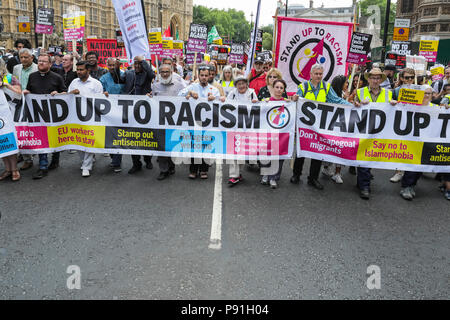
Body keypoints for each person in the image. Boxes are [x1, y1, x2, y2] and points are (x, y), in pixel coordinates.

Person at [291, 64, 352, 191]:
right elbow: (295, 101)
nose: (318, 76)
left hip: (320, 126)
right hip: (305, 125)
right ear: (311, 74)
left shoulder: (326, 86)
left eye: (320, 74)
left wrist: (351, 105)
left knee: (317, 152)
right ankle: (296, 175)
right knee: (301, 151)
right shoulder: (303, 87)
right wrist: (294, 99)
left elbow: (336, 100)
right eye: (316, 74)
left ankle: (313, 178)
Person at [398, 85, 450, 200]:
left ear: (432, 95)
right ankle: (406, 186)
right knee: (412, 165)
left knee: (420, 166)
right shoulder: (411, 106)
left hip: (427, 142)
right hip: (412, 141)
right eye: (424, 93)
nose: (426, 95)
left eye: (428, 93)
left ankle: (411, 185)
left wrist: (446, 109)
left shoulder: (436, 108)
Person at [23, 53, 67, 180]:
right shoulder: (32, 77)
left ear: (50, 64)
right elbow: (29, 91)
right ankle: (43, 166)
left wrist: (58, 93)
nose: (41, 63)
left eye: (44, 61)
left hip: (54, 114)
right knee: (42, 139)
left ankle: (55, 159)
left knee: (54, 138)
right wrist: (27, 93)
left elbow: (65, 92)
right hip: (38, 115)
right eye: (40, 61)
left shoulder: (57, 77)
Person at [355, 68, 396, 199]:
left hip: (379, 132)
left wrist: (394, 105)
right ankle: (364, 186)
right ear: (368, 79)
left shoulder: (388, 94)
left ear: (381, 80)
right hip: (363, 130)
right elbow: (350, 105)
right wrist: (358, 103)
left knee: (370, 157)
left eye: (378, 78)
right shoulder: (360, 91)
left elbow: (393, 110)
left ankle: (361, 181)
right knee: (364, 157)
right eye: (373, 78)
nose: (375, 80)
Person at [178, 65, 221, 179]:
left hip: (208, 124)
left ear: (209, 76)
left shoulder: (214, 90)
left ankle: (204, 170)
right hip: (194, 122)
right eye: (202, 75)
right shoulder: (192, 86)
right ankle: (193, 170)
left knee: (205, 146)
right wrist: (190, 93)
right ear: (198, 75)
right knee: (194, 145)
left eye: (206, 75)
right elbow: (179, 95)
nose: (204, 77)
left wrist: (215, 98)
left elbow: (221, 103)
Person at [67, 61, 103, 177]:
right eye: (77, 70)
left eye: (81, 70)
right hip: (76, 116)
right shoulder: (74, 82)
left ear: (88, 70)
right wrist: (72, 93)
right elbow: (66, 98)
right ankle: (86, 160)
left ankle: (86, 166)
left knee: (88, 140)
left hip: (91, 116)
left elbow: (100, 101)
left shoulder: (96, 83)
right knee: (78, 140)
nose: (79, 72)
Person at [152, 63, 187, 180]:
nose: (165, 74)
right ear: (159, 73)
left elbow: (186, 100)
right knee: (161, 146)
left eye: (167, 72)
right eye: (163, 72)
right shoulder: (155, 86)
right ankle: (163, 170)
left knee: (171, 145)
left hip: (174, 121)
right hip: (160, 121)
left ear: (171, 73)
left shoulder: (180, 86)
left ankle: (171, 166)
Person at [123, 56, 155, 174]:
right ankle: (136, 163)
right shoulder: (129, 73)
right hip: (131, 110)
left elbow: (152, 74)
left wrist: (143, 61)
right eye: (135, 64)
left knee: (146, 137)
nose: (137, 66)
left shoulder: (147, 74)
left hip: (145, 111)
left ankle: (148, 160)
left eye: (139, 64)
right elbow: (119, 81)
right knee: (132, 138)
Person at [226, 76, 258, 186]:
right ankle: (233, 175)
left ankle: (238, 173)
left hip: (247, 128)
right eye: (239, 84)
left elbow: (259, 108)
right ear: (235, 85)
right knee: (233, 151)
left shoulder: (252, 93)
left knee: (242, 152)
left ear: (247, 84)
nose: (241, 86)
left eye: (243, 83)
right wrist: (223, 100)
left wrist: (256, 102)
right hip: (234, 128)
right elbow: (226, 105)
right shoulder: (232, 93)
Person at [261, 79, 292, 189]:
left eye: (281, 88)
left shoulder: (288, 103)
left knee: (279, 156)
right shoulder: (266, 101)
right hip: (268, 133)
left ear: (284, 90)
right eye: (277, 87)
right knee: (267, 154)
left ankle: (274, 178)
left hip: (282, 134)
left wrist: (293, 101)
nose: (279, 90)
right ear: (273, 88)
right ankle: (265, 174)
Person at [321, 75, 350, 184]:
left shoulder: (344, 94)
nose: (347, 85)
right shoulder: (331, 95)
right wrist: (350, 103)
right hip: (331, 126)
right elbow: (339, 102)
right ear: (340, 84)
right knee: (330, 147)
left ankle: (337, 173)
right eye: (345, 83)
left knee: (340, 148)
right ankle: (326, 167)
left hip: (341, 127)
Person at [390, 68, 417, 183]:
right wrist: (392, 102)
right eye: (407, 77)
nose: (409, 80)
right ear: (401, 78)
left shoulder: (420, 90)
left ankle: (409, 171)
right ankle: (398, 172)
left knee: (412, 148)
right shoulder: (396, 91)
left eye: (412, 77)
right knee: (400, 147)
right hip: (400, 122)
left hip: (415, 122)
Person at [100, 58, 125, 173]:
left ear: (118, 65)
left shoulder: (125, 76)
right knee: (109, 135)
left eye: (113, 65)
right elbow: (99, 92)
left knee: (118, 136)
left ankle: (116, 162)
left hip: (122, 111)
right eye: (109, 65)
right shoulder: (103, 79)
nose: (111, 67)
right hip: (108, 111)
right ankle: (113, 157)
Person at [0, 60, 22, 182]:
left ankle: (14, 170)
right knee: (1, 142)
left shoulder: (9, 77)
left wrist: (6, 84)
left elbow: (19, 92)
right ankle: (8, 169)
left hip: (9, 114)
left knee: (9, 140)